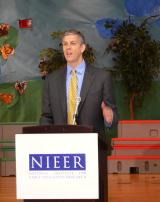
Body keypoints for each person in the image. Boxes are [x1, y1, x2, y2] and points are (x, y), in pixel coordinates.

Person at [40, 29, 118, 202]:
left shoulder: (102, 77)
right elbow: (46, 115)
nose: (68, 48)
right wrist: (42, 143)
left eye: (73, 43)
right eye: (65, 44)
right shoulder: (52, 80)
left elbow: (112, 113)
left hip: (93, 151)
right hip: (61, 153)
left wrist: (109, 117)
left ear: (82, 47)